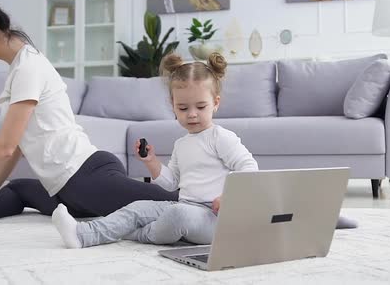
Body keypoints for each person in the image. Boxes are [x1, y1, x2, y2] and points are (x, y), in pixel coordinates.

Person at [0, 0, 177, 229]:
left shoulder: (28, 67)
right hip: (65, 188)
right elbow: (16, 150)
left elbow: (5, 147)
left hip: (86, 175)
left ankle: (212, 204)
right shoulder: (17, 70)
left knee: (170, 201)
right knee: (17, 189)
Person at [52, 53, 260, 248]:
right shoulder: (181, 144)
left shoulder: (220, 137)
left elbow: (249, 166)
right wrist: (151, 161)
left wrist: (229, 196)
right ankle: (82, 235)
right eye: (183, 108)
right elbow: (172, 183)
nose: (192, 115)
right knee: (138, 207)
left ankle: (139, 234)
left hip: (216, 219)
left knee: (177, 215)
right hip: (185, 205)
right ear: (173, 106)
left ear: (215, 104)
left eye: (201, 107)